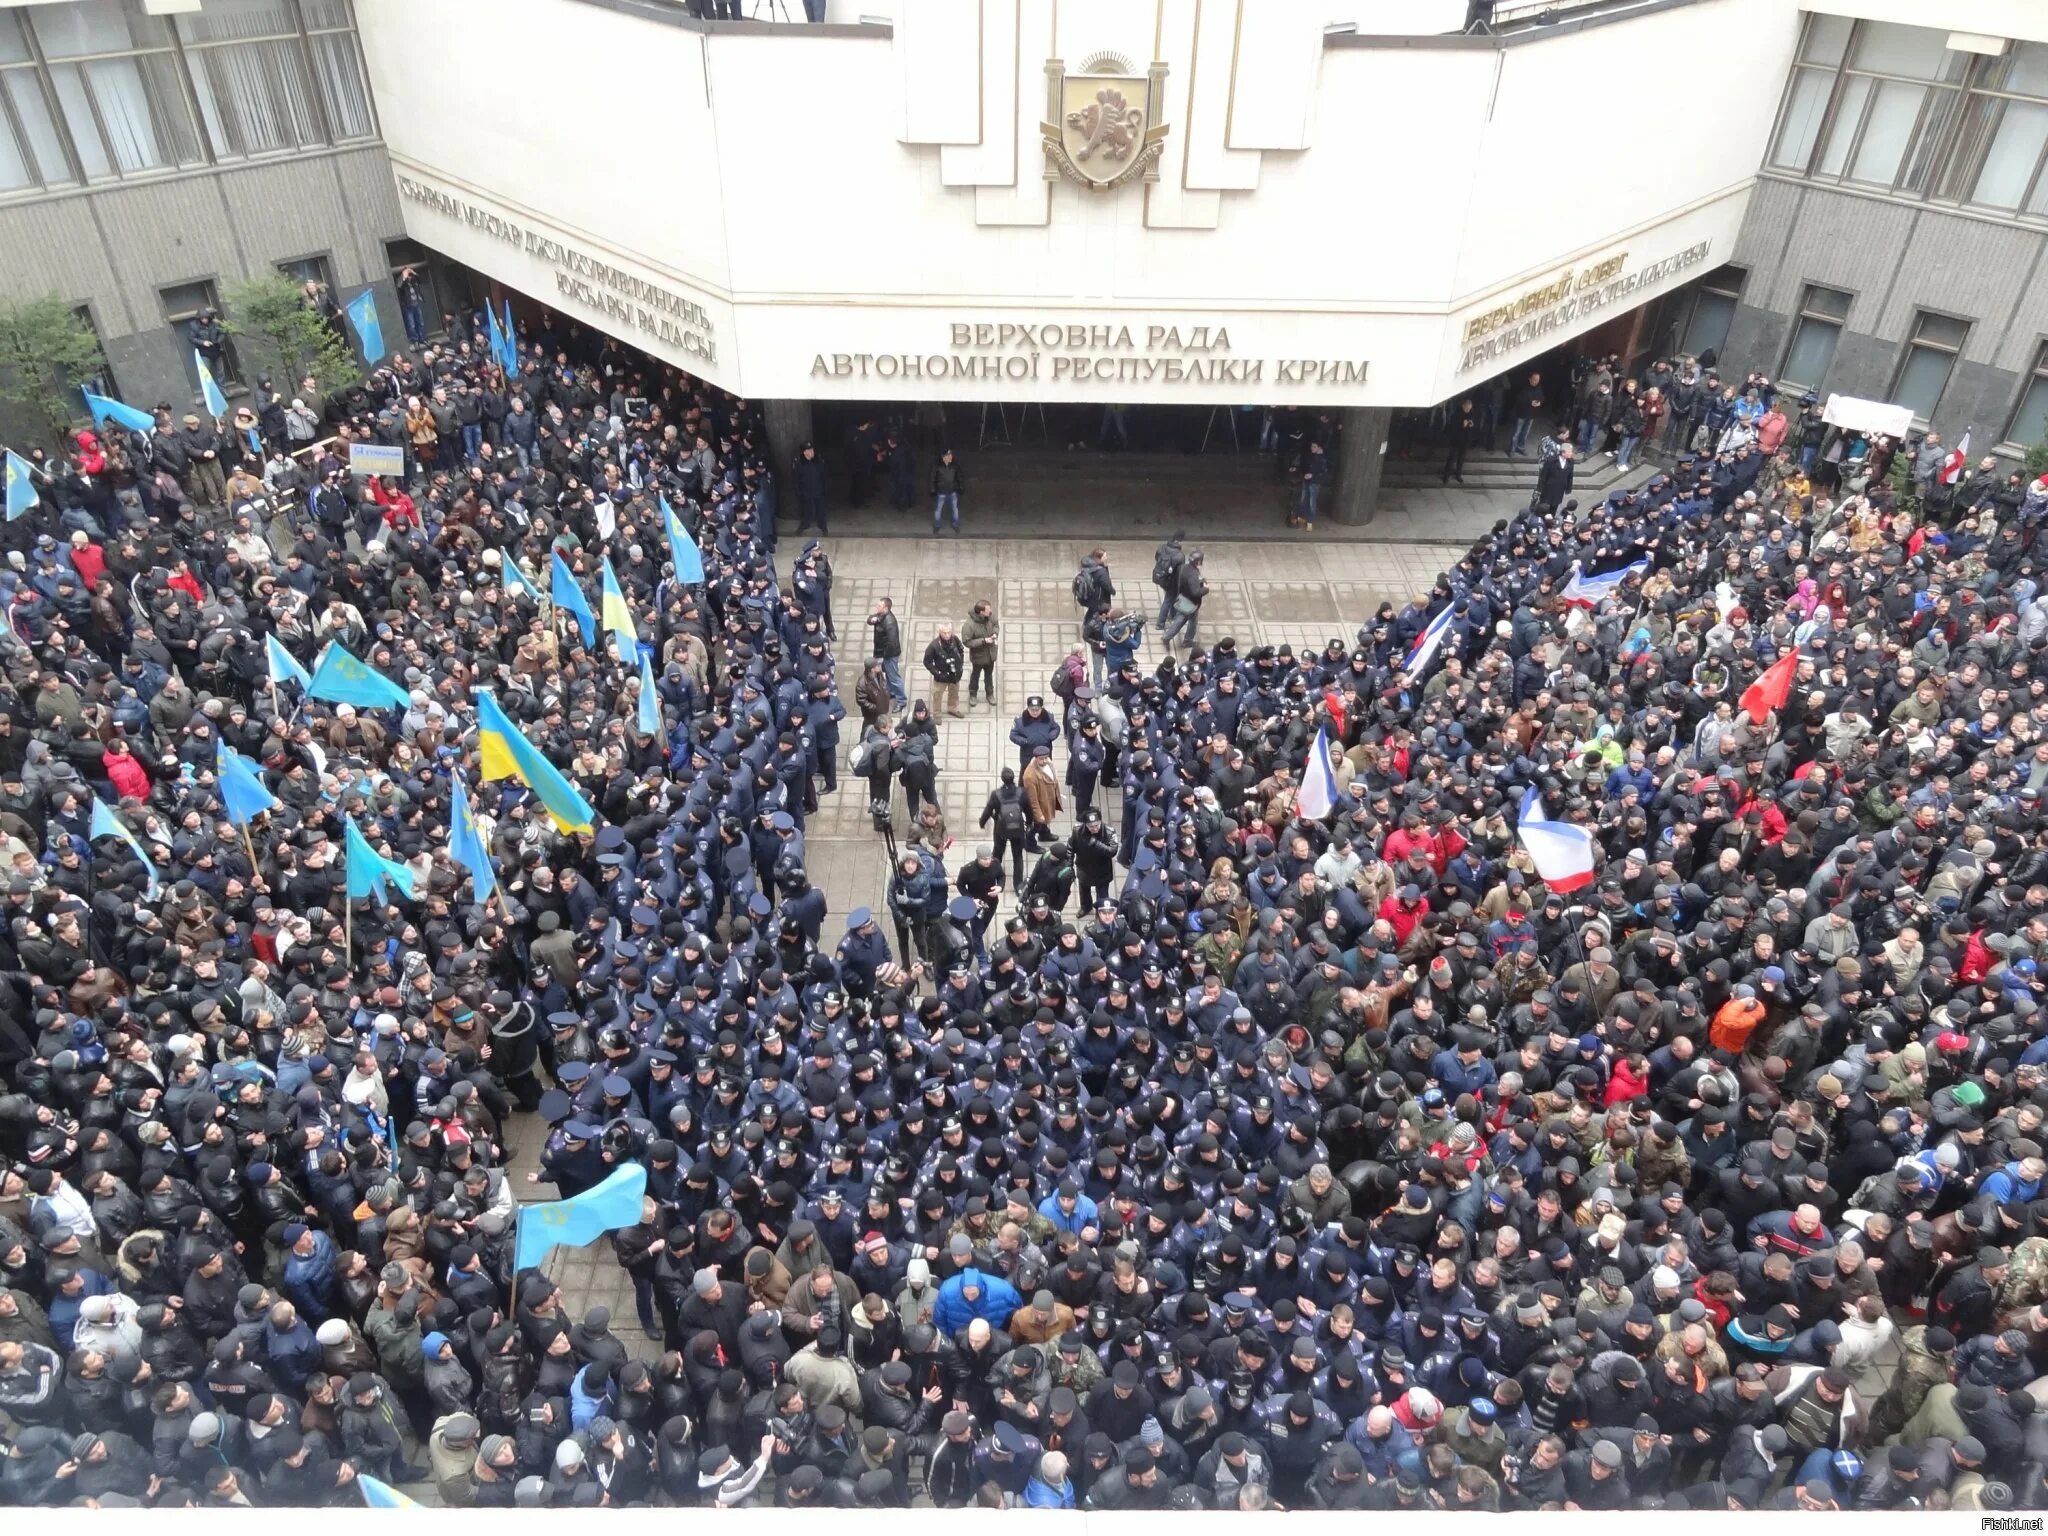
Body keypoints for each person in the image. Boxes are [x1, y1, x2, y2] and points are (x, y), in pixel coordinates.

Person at [1160, 548, 1207, 650]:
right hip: (1191, 603)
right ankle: (1185, 640)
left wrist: (1199, 581)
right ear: (1198, 562)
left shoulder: (1184, 568)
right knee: (1187, 621)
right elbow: (1195, 592)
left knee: (1184, 619)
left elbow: (1186, 582)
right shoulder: (1193, 574)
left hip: (1182, 598)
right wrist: (1205, 589)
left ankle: (1170, 637)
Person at [868, 595, 905, 709]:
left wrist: (884, 656)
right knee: (888, 675)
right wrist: (872, 620)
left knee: (894, 678)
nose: (876, 607)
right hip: (882, 653)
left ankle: (901, 701)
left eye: (879, 605)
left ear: (885, 608)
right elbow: (870, 619)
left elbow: (892, 642)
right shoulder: (880, 616)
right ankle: (892, 692)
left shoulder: (889, 622)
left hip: (889, 655)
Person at [922, 623, 965, 717]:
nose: (947, 635)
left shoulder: (955, 639)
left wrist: (960, 664)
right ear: (940, 632)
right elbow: (927, 662)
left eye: (949, 632)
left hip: (954, 674)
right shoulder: (934, 646)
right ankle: (937, 714)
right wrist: (937, 673)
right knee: (937, 695)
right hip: (941, 676)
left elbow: (961, 650)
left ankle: (952, 708)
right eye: (944, 633)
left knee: (954, 693)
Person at [963, 600, 999, 707]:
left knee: (989, 676)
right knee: (975, 676)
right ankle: (973, 694)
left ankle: (990, 694)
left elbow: (996, 624)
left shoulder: (991, 616)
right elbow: (967, 642)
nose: (991, 611)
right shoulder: (969, 625)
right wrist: (983, 641)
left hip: (991, 654)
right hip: (978, 656)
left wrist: (995, 633)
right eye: (988, 609)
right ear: (981, 612)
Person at [930, 448, 964, 534]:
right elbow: (932, 478)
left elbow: (959, 476)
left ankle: (956, 525)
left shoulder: (954, 465)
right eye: (949, 455)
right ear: (943, 457)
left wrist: (961, 486)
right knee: (938, 510)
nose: (951, 457)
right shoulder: (937, 466)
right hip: (941, 492)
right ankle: (937, 526)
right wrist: (932, 489)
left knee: (955, 510)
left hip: (952, 491)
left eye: (951, 455)